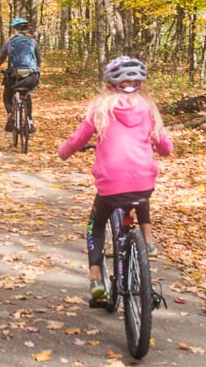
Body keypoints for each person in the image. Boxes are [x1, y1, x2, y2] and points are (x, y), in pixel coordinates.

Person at [57, 56, 172, 301]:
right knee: (140, 195)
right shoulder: (148, 108)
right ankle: (148, 241)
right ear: (140, 84)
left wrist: (63, 152)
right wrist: (162, 149)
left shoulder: (101, 108)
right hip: (143, 181)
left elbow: (78, 139)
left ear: (109, 84)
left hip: (110, 184)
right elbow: (165, 146)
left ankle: (96, 276)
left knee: (95, 224)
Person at [0, 17, 41, 132]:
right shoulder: (32, 42)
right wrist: (37, 71)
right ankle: (29, 121)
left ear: (14, 30)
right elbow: (38, 60)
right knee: (27, 95)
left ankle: (10, 114)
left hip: (13, 75)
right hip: (30, 76)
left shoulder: (9, 43)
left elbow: (1, 58)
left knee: (7, 96)